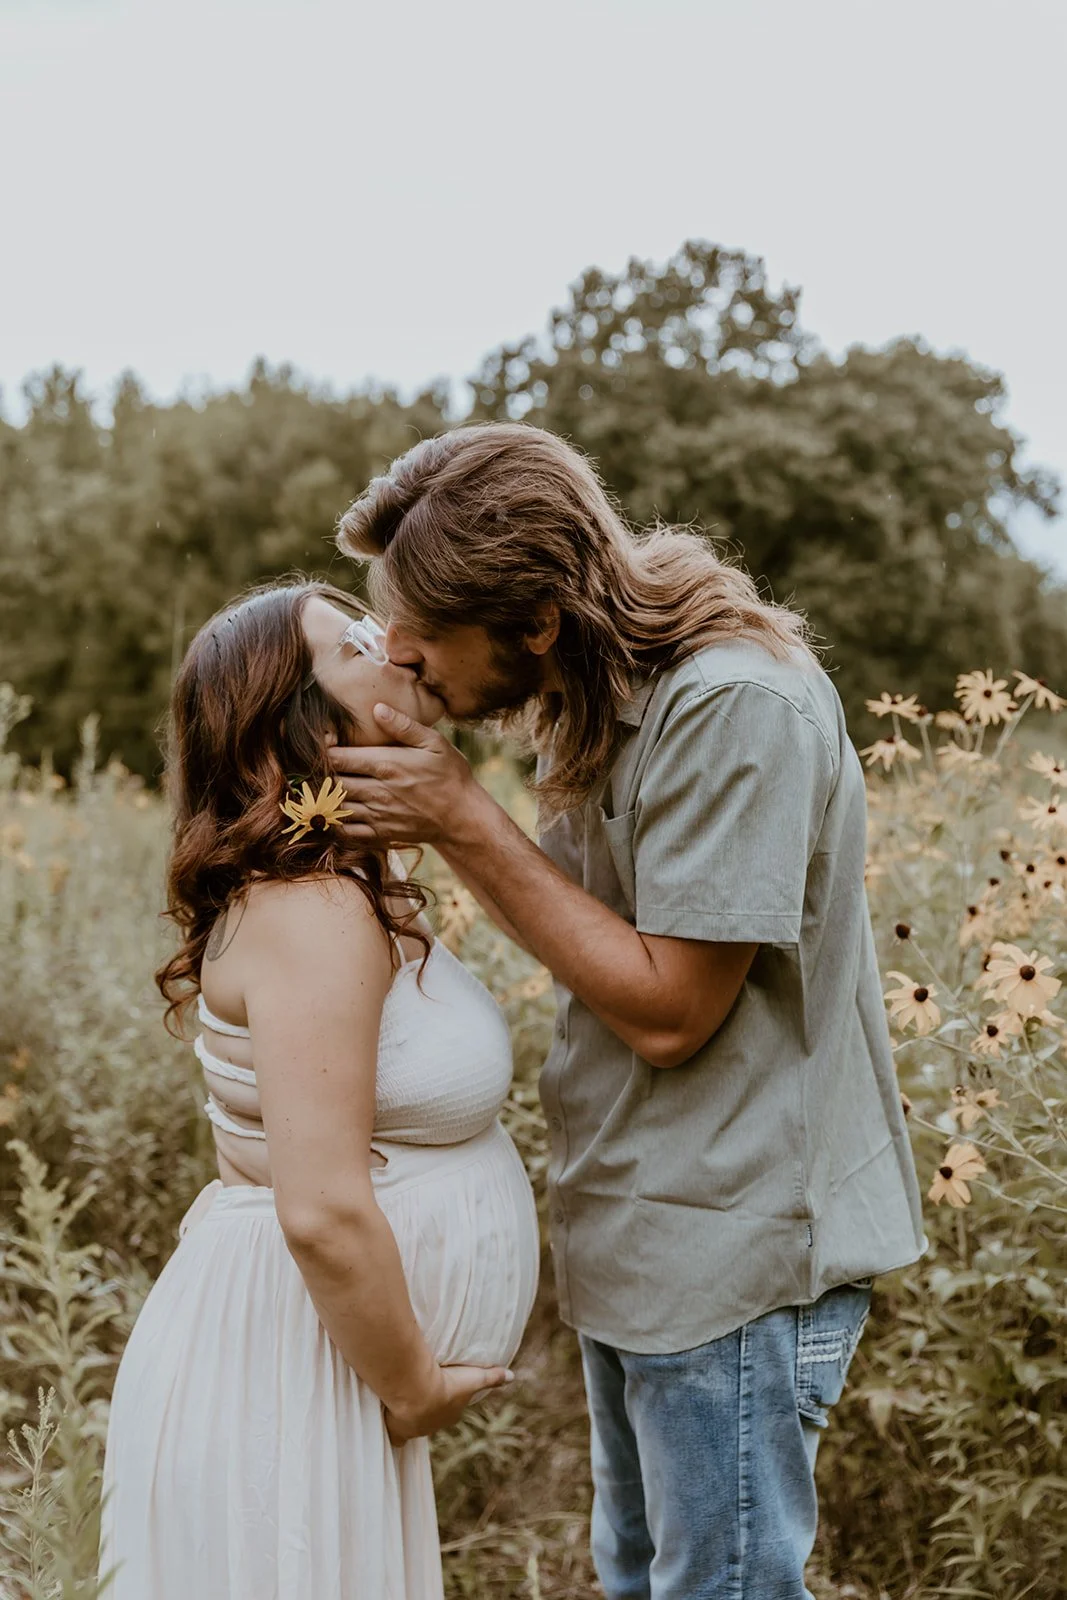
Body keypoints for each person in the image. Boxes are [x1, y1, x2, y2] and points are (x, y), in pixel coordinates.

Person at [328, 423, 927, 1600]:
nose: (396, 651)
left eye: (425, 633)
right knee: (645, 1578)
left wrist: (460, 819)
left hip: (732, 1253)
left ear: (535, 621)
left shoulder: (733, 707)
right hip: (645, 1239)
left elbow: (669, 1011)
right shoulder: (602, 696)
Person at [98, 580, 540, 1600]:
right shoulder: (310, 911)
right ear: (285, 735)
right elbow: (326, 1212)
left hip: (318, 1367)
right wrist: (415, 1384)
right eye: (353, 640)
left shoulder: (345, 888)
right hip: (291, 1376)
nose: (391, 642)